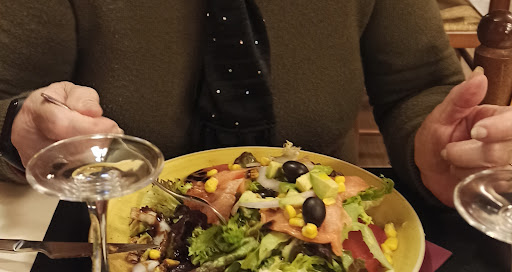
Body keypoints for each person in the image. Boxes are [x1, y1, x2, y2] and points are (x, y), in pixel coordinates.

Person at [0, 0, 510, 208]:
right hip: (109, 253)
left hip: (330, 266)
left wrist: (436, 150)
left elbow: (418, 84)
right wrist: (18, 128)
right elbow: (9, 98)